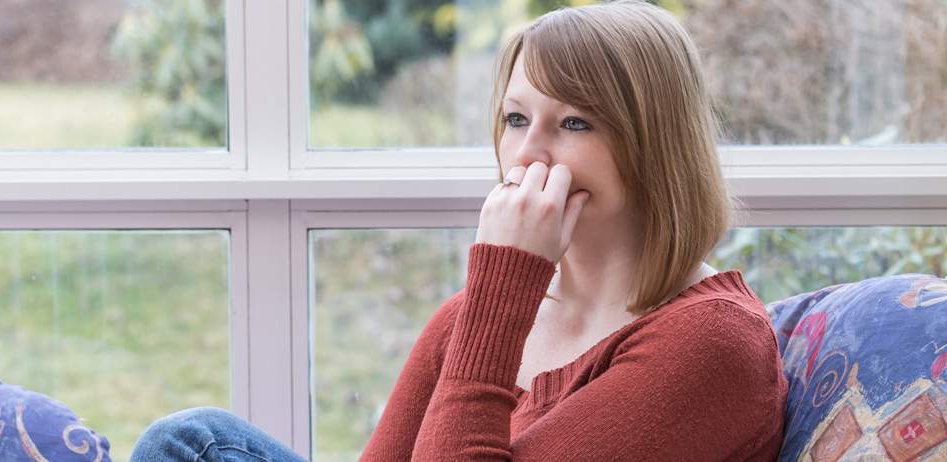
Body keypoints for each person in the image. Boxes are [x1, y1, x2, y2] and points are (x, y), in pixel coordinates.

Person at [131, 1, 788, 460]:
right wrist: (498, 302)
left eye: (575, 123)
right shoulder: (468, 321)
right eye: (515, 119)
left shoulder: (712, 343)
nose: (529, 155)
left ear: (655, 144)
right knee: (192, 441)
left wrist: (505, 286)